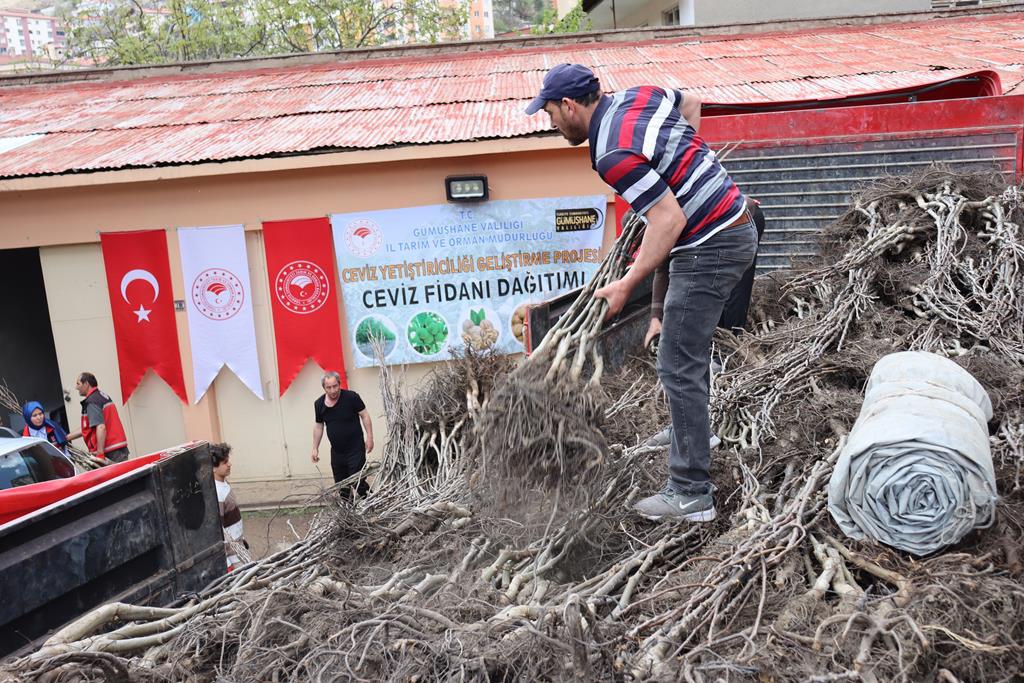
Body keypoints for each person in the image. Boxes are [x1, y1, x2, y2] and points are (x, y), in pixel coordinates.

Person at [527, 64, 757, 522]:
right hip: (731, 222)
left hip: (711, 243)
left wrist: (626, 284)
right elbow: (690, 102)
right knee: (685, 350)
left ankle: (692, 493)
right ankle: (692, 432)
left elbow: (668, 222)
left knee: (676, 359)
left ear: (570, 106)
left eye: (551, 112)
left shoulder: (610, 152)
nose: (551, 122)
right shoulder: (640, 96)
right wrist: (686, 168)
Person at [311, 371, 373, 498]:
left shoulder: (351, 397)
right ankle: (348, 514)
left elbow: (365, 415)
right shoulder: (319, 404)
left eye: (335, 386)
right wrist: (315, 448)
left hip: (355, 448)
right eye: (329, 387)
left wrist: (370, 437)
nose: (333, 390)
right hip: (337, 451)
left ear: (339, 384)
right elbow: (319, 426)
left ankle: (371, 503)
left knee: (357, 480)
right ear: (324, 387)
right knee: (342, 486)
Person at [68, 372, 130, 462]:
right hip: (118, 450)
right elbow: (88, 428)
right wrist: (67, 438)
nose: (76, 387)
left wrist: (100, 453)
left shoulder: (92, 401)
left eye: (78, 384)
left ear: (86, 384)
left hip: (111, 453)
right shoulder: (101, 396)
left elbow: (100, 427)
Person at [211, 442, 250, 571]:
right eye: (225, 462)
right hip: (233, 556)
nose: (230, 464)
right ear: (213, 468)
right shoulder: (217, 494)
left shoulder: (223, 483)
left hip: (239, 548)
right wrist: (228, 563)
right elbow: (219, 532)